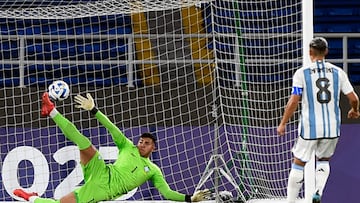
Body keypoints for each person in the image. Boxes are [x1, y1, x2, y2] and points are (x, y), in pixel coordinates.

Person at [13, 92, 210, 203]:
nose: (142, 144)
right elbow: (110, 126)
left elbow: (166, 193)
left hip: (103, 190)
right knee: (83, 142)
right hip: (103, 170)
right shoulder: (127, 146)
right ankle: (52, 111)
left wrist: (189, 199)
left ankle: (31, 199)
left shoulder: (154, 171)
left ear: (154, 149)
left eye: (147, 143)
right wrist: (94, 110)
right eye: (141, 141)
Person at [277, 37, 360, 203]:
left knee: (299, 162)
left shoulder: (302, 73)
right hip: (332, 128)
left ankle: (290, 201)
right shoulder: (338, 72)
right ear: (326, 52)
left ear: (310, 52)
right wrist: (354, 110)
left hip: (310, 127)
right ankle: (318, 191)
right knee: (323, 160)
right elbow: (354, 98)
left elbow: (294, 101)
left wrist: (283, 123)